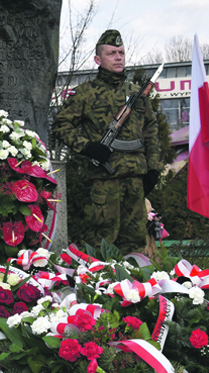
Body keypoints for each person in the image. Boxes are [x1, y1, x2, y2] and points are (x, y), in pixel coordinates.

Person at [52, 29, 161, 254]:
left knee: (137, 243)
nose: (119, 57)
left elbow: (151, 133)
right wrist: (87, 147)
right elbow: (61, 125)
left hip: (136, 179)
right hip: (105, 179)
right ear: (98, 59)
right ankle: (102, 286)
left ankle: (136, 287)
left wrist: (153, 170)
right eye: (112, 53)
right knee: (104, 242)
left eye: (121, 52)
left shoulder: (136, 94)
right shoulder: (85, 93)